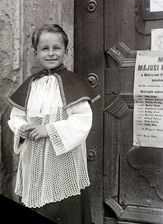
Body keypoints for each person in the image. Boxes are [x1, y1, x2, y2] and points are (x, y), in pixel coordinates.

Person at [8, 24, 100, 224]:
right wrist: (21, 128)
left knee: (65, 209)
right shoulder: (30, 84)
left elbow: (82, 122)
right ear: (36, 53)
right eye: (44, 48)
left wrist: (48, 130)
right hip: (33, 159)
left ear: (65, 51)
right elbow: (16, 116)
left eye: (56, 48)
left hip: (62, 160)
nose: (51, 53)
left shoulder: (74, 83)